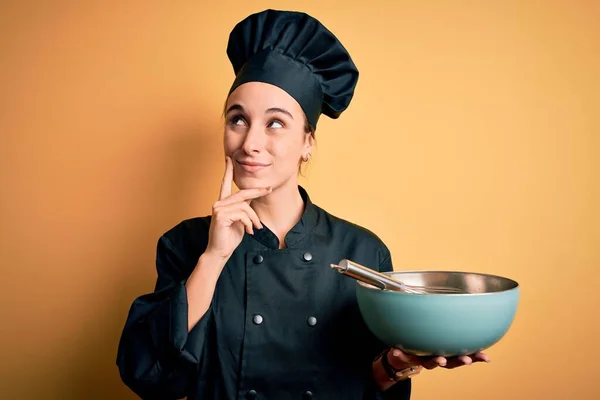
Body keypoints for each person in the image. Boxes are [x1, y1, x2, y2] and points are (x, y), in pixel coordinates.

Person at [116, 9, 489, 400]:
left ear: (307, 143)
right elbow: (150, 378)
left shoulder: (362, 251)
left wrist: (396, 366)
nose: (249, 143)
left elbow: (372, 386)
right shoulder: (185, 245)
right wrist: (213, 257)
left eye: (275, 123)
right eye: (237, 119)